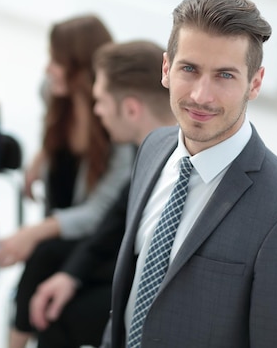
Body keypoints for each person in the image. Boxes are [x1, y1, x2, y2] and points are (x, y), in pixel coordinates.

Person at [101, 0, 277, 348]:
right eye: (189, 69)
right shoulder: (153, 148)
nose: (201, 96)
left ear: (254, 83)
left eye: (224, 75)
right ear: (166, 69)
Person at [0, 15, 133, 348]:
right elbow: (52, 129)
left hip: (95, 237)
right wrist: (41, 156)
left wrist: (33, 232)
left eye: (56, 61)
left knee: (43, 254)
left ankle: (16, 340)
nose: (48, 69)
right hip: (60, 226)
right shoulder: (52, 92)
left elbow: (100, 212)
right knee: (45, 262)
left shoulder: (118, 130)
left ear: (82, 69)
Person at [28, 40, 177, 348]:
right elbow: (115, 220)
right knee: (49, 266)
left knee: (62, 314)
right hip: (128, 271)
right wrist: (70, 276)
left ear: (131, 109)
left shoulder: (174, 163)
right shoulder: (148, 150)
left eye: (100, 101)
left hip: (164, 304)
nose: (97, 111)